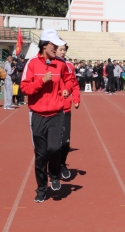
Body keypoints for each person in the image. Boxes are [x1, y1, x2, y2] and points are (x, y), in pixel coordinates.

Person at [20, 28, 73, 203]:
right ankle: (41, 188)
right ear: (46, 45)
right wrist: (41, 81)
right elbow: (25, 88)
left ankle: (55, 175)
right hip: (37, 115)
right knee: (41, 155)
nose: (57, 48)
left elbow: (69, 80)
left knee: (55, 148)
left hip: (57, 113)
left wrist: (66, 90)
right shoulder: (32, 64)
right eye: (54, 45)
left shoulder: (61, 64)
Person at [56, 43, 80, 179]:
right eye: (60, 49)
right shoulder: (50, 65)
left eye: (64, 50)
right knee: (52, 143)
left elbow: (74, 84)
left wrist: (76, 99)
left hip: (65, 108)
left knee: (65, 142)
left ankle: (62, 163)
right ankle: (53, 165)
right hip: (51, 109)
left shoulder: (70, 66)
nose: (63, 52)